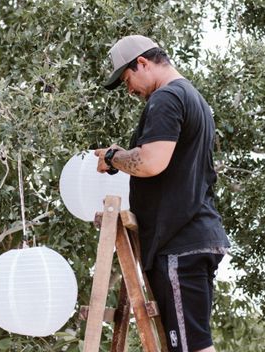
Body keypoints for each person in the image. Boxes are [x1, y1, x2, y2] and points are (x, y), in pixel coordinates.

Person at [95, 35, 230, 352]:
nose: (130, 90)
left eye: (128, 79)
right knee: (193, 343)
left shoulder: (166, 98)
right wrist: (123, 161)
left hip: (179, 243)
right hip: (193, 238)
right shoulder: (193, 98)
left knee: (191, 348)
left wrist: (114, 158)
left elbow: (152, 162)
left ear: (142, 63)